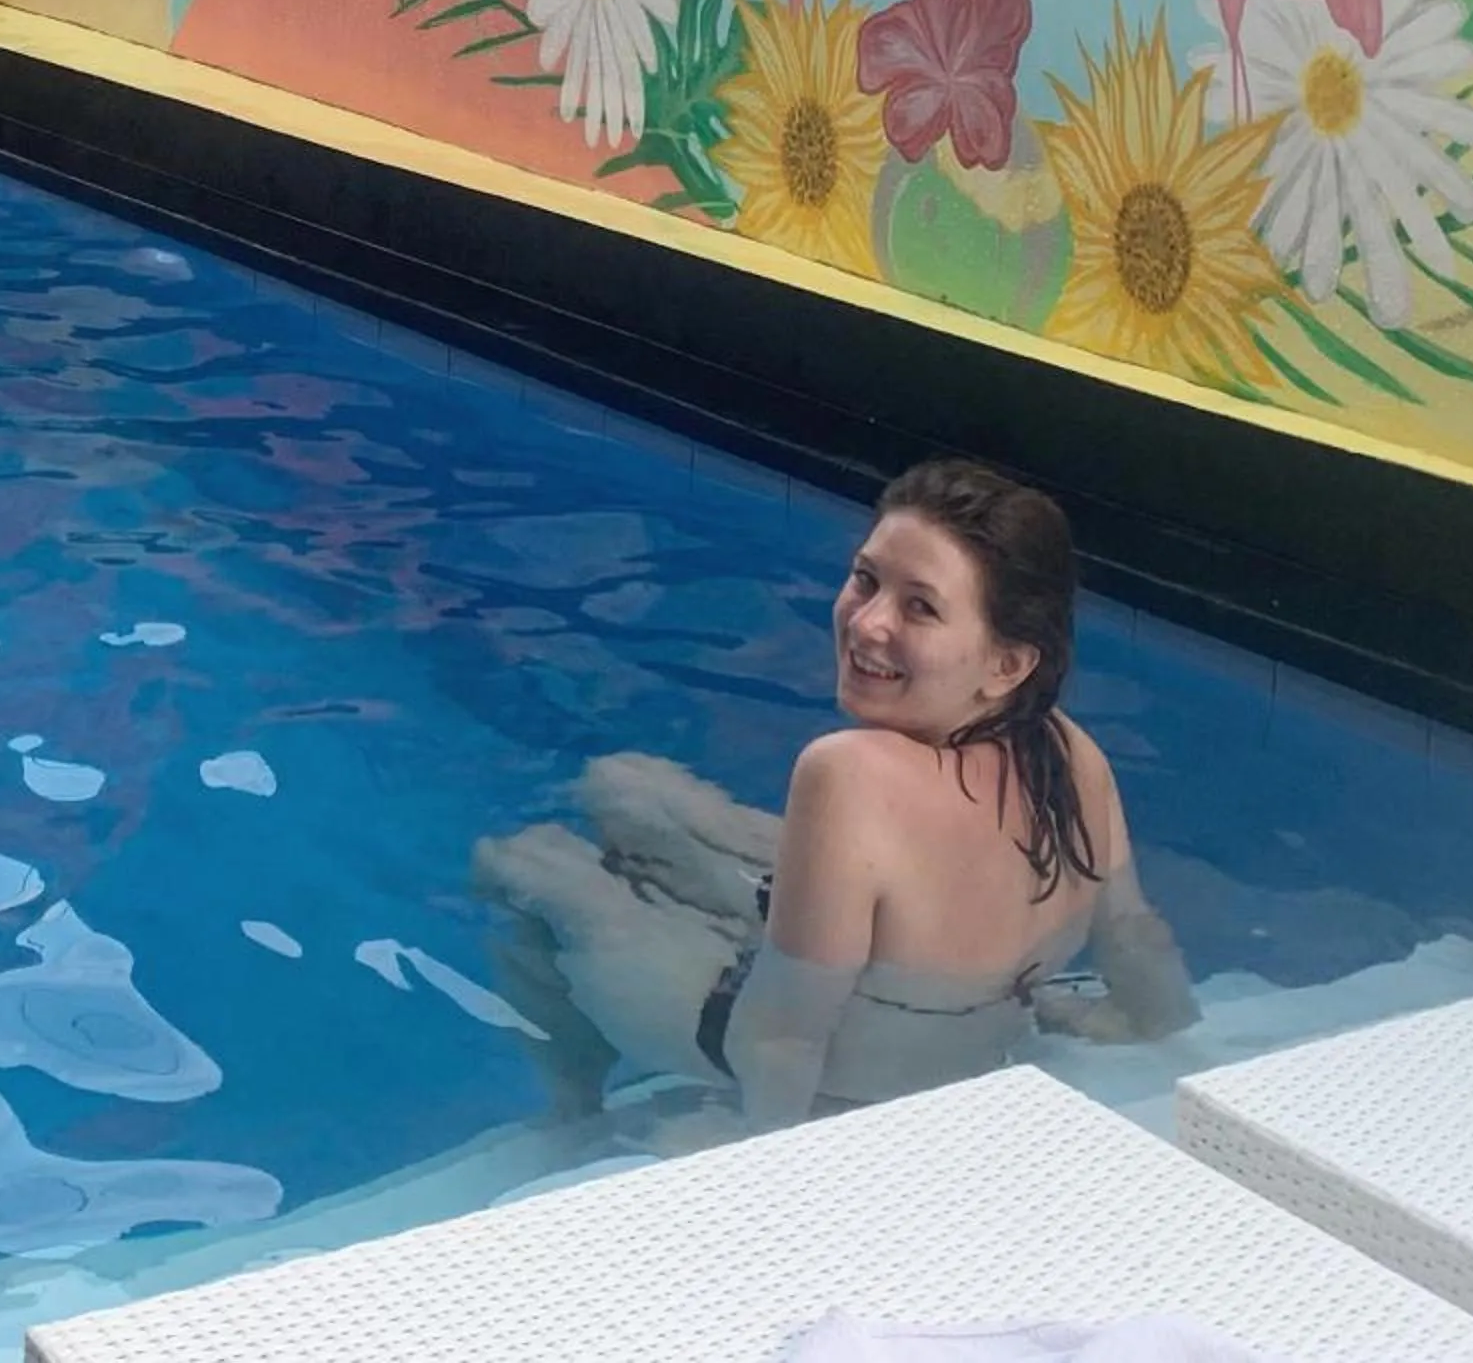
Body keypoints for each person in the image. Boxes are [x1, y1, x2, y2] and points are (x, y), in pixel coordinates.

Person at [474, 457, 1195, 1132]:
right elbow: (1132, 933)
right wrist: (1150, 1028)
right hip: (945, 1022)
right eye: (866, 578)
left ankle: (572, 1117)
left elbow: (782, 1036)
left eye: (921, 608)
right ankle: (708, 913)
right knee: (624, 785)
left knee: (520, 864)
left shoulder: (846, 772)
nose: (868, 620)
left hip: (829, 1075)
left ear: (1007, 663)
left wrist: (766, 1156)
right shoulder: (1068, 750)